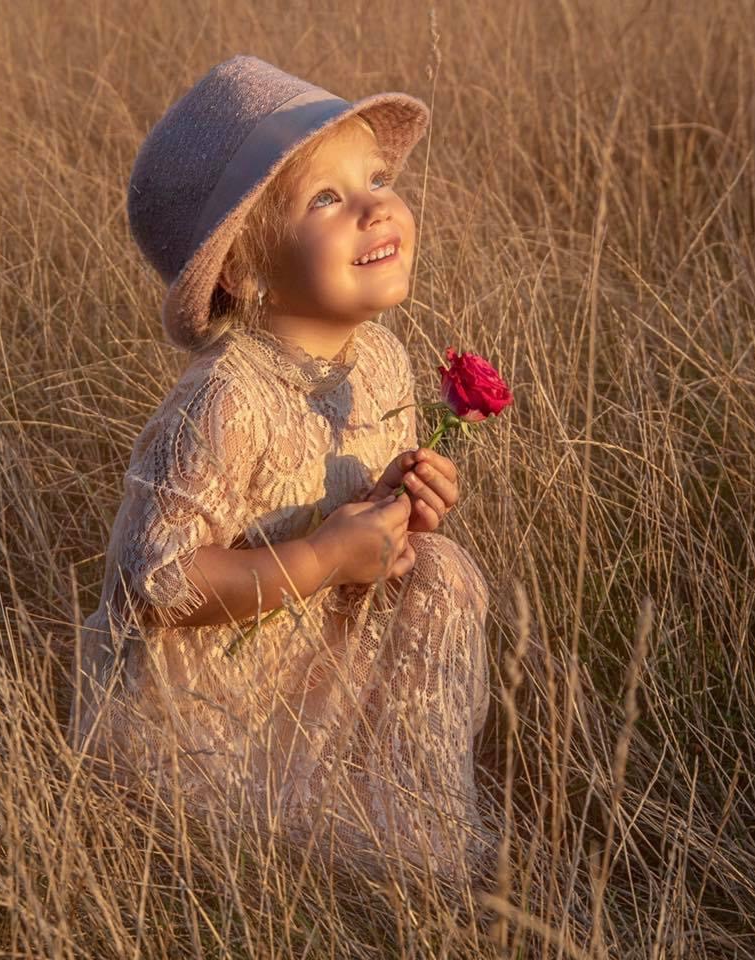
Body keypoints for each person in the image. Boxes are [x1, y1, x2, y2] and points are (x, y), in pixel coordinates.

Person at [67, 54, 498, 885]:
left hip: (315, 665)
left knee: (441, 573)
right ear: (242, 266)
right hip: (212, 715)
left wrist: (403, 513)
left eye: (375, 178)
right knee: (248, 841)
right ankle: (273, 831)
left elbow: (356, 528)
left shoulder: (379, 361)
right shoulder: (224, 399)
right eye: (328, 198)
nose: (378, 205)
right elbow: (153, 584)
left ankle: (416, 831)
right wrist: (326, 558)